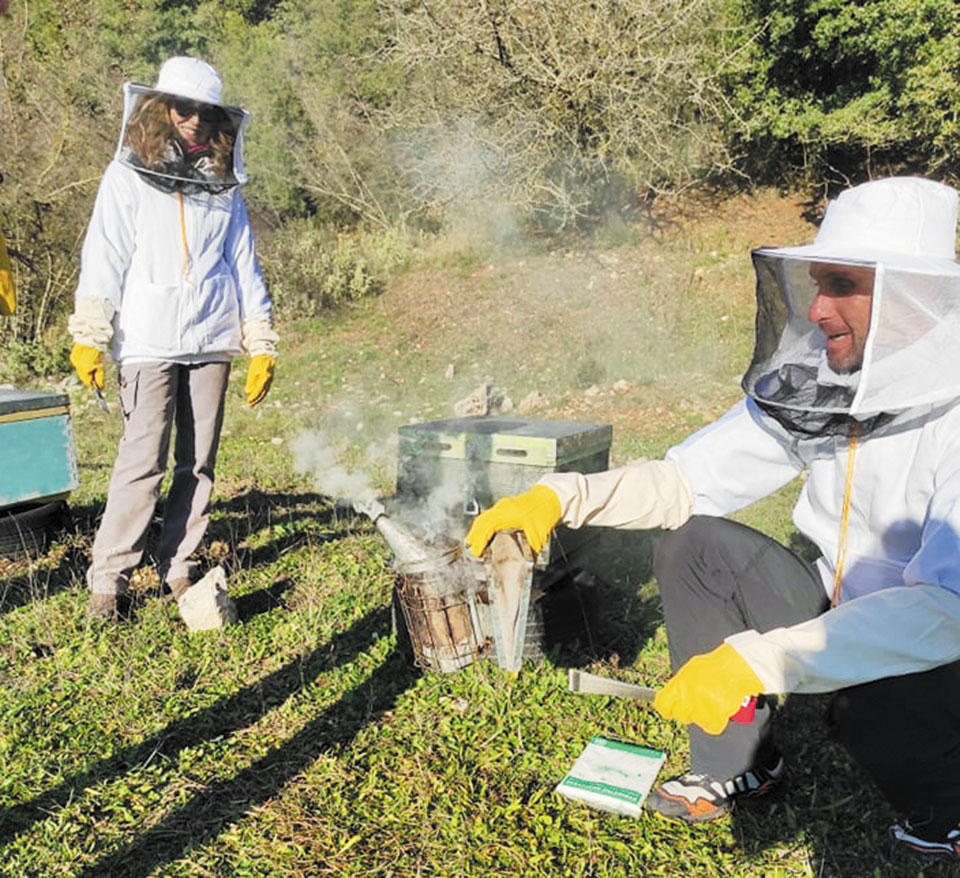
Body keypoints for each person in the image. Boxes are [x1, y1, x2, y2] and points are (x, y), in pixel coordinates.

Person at [466, 176, 960, 859]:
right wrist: (561, 498)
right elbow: (687, 481)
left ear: (920, 297)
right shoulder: (822, 378)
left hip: (935, 637)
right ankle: (738, 766)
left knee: (875, 702)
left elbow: (945, 608)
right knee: (694, 544)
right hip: (838, 603)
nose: (816, 309)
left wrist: (755, 658)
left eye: (842, 283)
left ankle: (943, 812)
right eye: (816, 282)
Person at [68, 56, 278, 622]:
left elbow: (243, 263)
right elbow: (105, 255)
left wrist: (260, 338)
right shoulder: (127, 175)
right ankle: (109, 580)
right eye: (182, 108)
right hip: (146, 338)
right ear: (162, 108)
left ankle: (179, 565)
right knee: (142, 460)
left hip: (212, 335)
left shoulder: (224, 184)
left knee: (199, 462)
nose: (191, 119)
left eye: (202, 111)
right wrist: (91, 331)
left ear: (216, 118)